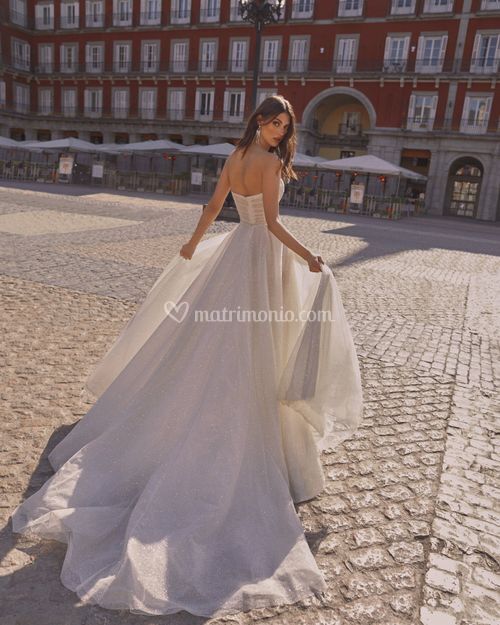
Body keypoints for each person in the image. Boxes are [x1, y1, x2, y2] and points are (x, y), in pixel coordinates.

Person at [11, 95, 363, 618]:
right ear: (259, 122)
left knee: (214, 343)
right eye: (271, 121)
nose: (276, 130)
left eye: (283, 125)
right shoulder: (265, 161)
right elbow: (269, 222)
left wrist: (192, 247)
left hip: (231, 254)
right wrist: (308, 255)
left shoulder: (236, 156)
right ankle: (239, 426)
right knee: (250, 346)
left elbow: (215, 206)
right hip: (259, 256)